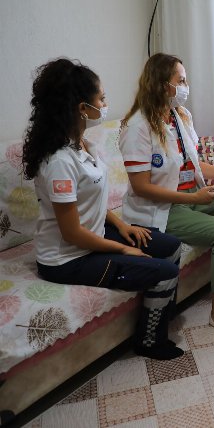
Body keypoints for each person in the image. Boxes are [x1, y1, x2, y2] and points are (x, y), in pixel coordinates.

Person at [22, 58, 184, 360]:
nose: (106, 105)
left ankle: (161, 312)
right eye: (102, 99)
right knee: (165, 272)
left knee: (171, 247)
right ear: (82, 108)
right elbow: (71, 233)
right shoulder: (59, 162)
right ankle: (150, 341)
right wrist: (123, 249)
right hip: (68, 258)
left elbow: (90, 201)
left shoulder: (83, 145)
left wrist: (123, 227)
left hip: (93, 236)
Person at [118, 53, 214, 337]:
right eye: (181, 81)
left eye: (185, 80)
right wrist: (193, 199)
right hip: (161, 208)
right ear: (162, 84)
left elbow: (191, 163)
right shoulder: (137, 126)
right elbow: (140, 186)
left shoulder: (179, 116)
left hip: (191, 197)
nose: (185, 86)